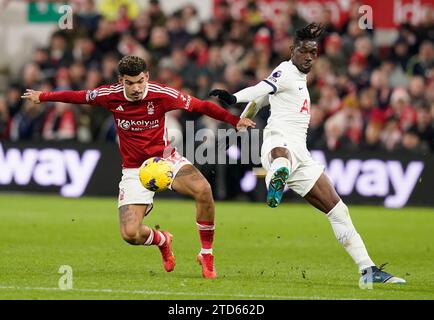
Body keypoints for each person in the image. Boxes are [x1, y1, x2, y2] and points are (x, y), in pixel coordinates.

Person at [22, 55, 255, 279]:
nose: (136, 88)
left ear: (147, 76)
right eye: (130, 83)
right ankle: (162, 240)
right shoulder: (108, 95)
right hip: (134, 170)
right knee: (130, 234)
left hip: (164, 159)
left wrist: (234, 121)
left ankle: (206, 255)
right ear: (120, 81)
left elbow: (201, 106)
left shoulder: (161, 94)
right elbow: (79, 96)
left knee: (203, 190)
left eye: (140, 81)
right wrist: (43, 96)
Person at [209, 23, 405, 285]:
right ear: (292, 50)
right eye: (304, 51)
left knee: (338, 211)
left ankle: (367, 270)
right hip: (278, 142)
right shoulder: (286, 71)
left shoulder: (295, 80)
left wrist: (240, 121)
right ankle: (275, 180)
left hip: (302, 156)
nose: (310, 57)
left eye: (314, 52)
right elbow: (258, 89)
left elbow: (260, 100)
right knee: (282, 159)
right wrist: (233, 99)